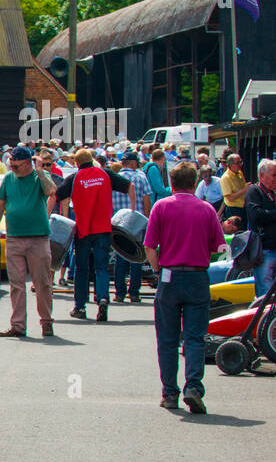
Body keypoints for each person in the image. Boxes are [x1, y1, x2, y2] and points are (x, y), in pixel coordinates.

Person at [144, 162, 226, 414]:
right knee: (195, 337)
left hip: (169, 275)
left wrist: (158, 270)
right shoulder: (206, 210)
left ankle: (170, 393)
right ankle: (193, 386)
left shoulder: (161, 206)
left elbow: (149, 246)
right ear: (194, 184)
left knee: (167, 339)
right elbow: (218, 247)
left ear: (171, 182)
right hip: (197, 276)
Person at [51, 148, 131, 322]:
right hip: (103, 229)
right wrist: (131, 210)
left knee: (82, 269)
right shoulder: (105, 174)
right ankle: (102, 298)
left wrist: (48, 215)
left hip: (83, 230)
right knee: (101, 267)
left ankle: (80, 306)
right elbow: (128, 186)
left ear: (77, 163)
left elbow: (55, 195)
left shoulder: (74, 178)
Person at [0, 146, 57, 338]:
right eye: (10, 165)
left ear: (28, 163)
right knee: (16, 284)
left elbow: (52, 191)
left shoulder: (38, 178)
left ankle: (46, 321)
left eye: (16, 166)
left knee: (42, 282)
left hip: (38, 238)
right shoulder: (8, 179)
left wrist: (40, 171)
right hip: (14, 238)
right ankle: (18, 325)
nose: (13, 169)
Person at [113, 150, 153, 303]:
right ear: (134, 163)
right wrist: (148, 220)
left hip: (118, 222)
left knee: (120, 257)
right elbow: (147, 201)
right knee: (136, 258)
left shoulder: (114, 178)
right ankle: (134, 293)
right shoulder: (140, 177)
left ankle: (119, 293)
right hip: (136, 222)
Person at [244, 159, 276, 299]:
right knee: (265, 293)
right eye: (274, 175)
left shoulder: (273, 194)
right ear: (262, 176)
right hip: (265, 250)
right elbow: (256, 215)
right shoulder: (254, 191)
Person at [219, 153, 248, 224]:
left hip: (243, 207)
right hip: (233, 209)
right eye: (238, 163)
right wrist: (244, 190)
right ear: (231, 165)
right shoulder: (226, 178)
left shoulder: (239, 173)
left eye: (241, 162)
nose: (240, 165)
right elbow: (229, 198)